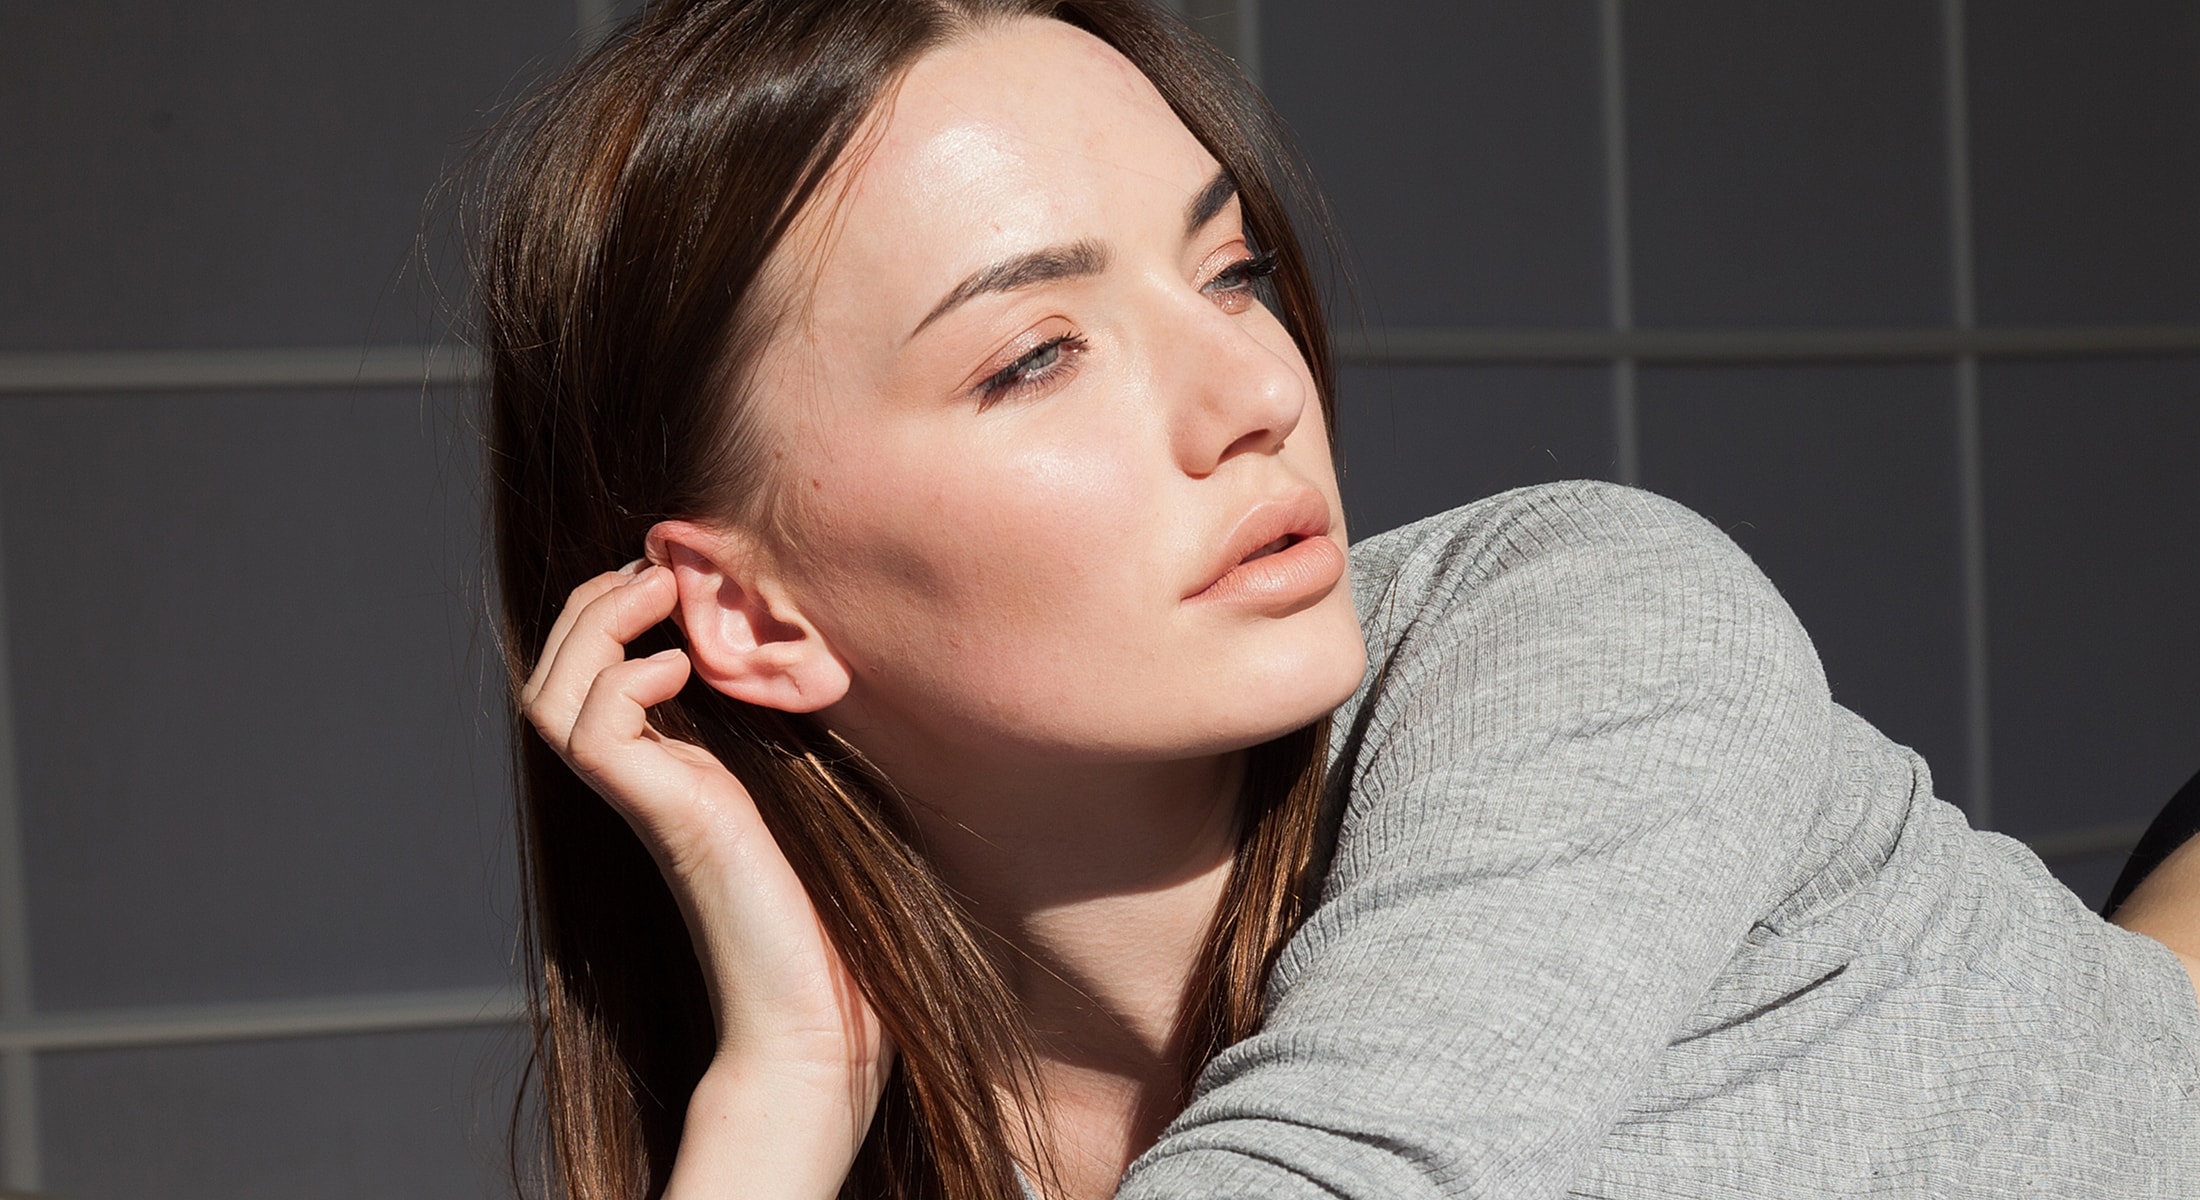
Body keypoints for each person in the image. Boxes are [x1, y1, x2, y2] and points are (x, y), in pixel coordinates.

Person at [474, 1, 2200, 1197]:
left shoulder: (1585, 632)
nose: (1254, 392)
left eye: (1230, 271)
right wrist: (782, 1091)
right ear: (756, 620)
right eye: (1038, 355)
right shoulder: (911, 1119)